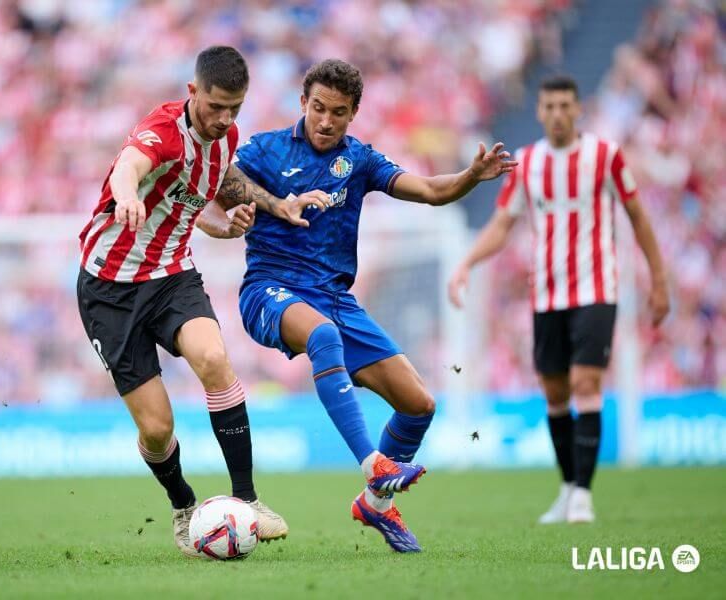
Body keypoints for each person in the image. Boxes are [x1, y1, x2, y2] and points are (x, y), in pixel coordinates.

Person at [198, 59, 515, 552]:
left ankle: (376, 504)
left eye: (338, 113)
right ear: (303, 103)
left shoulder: (360, 161)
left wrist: (472, 175)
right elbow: (216, 185)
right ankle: (374, 463)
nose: (325, 121)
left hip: (335, 300)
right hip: (270, 289)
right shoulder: (265, 149)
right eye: (318, 108)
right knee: (322, 336)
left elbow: (432, 191)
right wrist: (240, 213)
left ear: (353, 114)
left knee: (418, 405)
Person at [76, 46, 330, 556]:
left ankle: (249, 500)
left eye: (234, 107)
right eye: (215, 106)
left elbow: (203, 205)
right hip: (109, 288)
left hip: (172, 274)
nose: (224, 118)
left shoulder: (225, 138)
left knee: (214, 358)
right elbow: (130, 166)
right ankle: (182, 503)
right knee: (156, 427)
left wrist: (251, 213)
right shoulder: (164, 131)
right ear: (192, 93)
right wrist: (125, 193)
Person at [447, 75, 669, 524]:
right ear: (539, 111)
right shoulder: (527, 164)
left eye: (566, 105)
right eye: (549, 106)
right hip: (546, 293)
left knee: (586, 384)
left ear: (578, 109)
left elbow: (639, 217)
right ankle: (569, 487)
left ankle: (584, 495)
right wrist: (466, 262)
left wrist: (658, 280)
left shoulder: (605, 157)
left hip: (596, 290)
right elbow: (502, 224)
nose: (558, 114)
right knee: (554, 393)